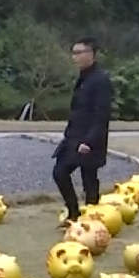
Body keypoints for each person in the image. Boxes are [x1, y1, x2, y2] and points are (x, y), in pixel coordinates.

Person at [52, 36, 114, 226]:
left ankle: (92, 219)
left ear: (92, 55)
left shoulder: (100, 80)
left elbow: (101, 115)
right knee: (60, 172)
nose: (75, 57)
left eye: (79, 53)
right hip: (74, 137)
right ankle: (73, 212)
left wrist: (89, 141)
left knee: (89, 178)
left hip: (90, 138)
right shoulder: (83, 79)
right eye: (74, 53)